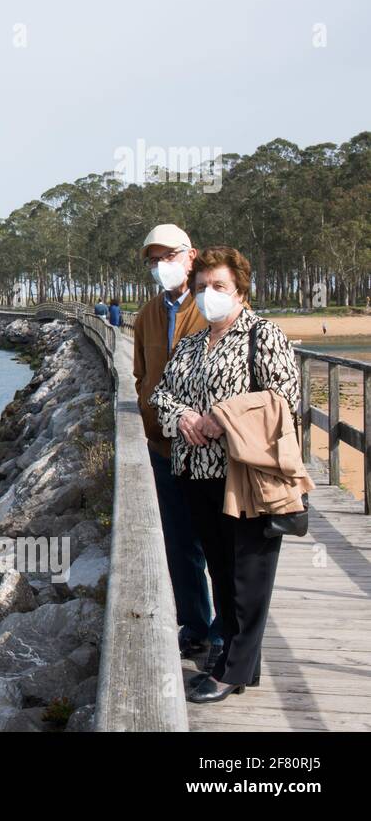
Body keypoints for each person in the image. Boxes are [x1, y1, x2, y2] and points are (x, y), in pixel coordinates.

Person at [149, 246, 302, 703]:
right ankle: (236, 661)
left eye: (218, 286)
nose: (208, 294)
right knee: (221, 570)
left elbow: (285, 398)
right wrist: (184, 418)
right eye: (201, 288)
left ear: (240, 291)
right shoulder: (192, 343)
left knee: (248, 576)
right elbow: (162, 393)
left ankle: (230, 672)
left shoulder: (262, 335)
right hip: (195, 474)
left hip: (246, 477)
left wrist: (220, 415)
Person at [131, 224, 218, 663]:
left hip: (209, 448)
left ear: (190, 256)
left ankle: (224, 637)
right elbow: (141, 374)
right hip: (163, 447)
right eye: (153, 260)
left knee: (217, 542)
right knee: (179, 543)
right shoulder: (147, 313)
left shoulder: (212, 307)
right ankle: (196, 627)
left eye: (169, 256)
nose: (161, 266)